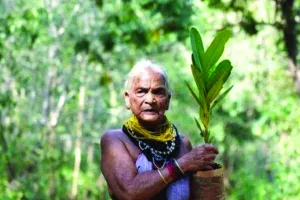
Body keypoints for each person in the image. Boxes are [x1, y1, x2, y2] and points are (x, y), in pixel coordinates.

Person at [101, 60, 219, 200]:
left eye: (158, 92)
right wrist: (182, 164)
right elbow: (129, 192)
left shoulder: (182, 144)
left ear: (168, 100)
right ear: (127, 99)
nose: (150, 100)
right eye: (141, 91)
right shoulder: (115, 141)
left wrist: (209, 176)